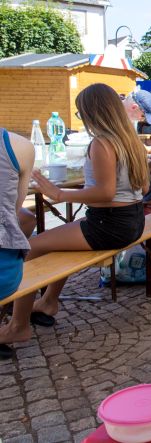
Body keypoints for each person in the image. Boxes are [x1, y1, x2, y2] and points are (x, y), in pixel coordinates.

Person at [0, 83, 150, 343]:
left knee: (31, 247)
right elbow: (143, 187)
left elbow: (105, 192)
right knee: (60, 241)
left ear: (93, 112)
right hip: (132, 221)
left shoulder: (102, 143)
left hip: (109, 225)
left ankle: (18, 326)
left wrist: (60, 195)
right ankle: (48, 302)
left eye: (81, 113)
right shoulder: (130, 140)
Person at [0, 130, 34, 359]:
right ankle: (21, 320)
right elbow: (13, 213)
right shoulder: (20, 146)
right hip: (6, 273)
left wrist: (59, 195)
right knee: (31, 228)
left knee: (40, 246)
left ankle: (20, 323)